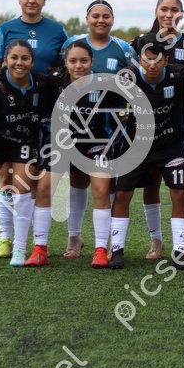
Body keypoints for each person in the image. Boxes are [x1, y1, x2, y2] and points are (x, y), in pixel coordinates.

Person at [0, 0, 68, 260]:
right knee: (7, 174)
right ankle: (4, 239)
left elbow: (66, 67)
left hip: (42, 113)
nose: (32, 0)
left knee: (31, 176)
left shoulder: (57, 31)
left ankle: (32, 242)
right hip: (9, 110)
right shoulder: (5, 29)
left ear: (45, 0)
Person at [23, 39, 114, 268]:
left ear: (92, 61)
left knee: (101, 188)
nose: (78, 65)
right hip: (60, 143)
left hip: (94, 143)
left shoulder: (103, 83)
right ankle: (40, 248)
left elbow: (119, 113)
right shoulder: (53, 81)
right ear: (65, 62)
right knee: (43, 188)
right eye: (73, 61)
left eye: (84, 60)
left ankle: (100, 249)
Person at [58, 0, 137, 259]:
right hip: (76, 127)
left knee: (106, 185)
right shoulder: (72, 43)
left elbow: (135, 81)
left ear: (112, 19)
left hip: (109, 127)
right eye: (95, 16)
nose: (100, 20)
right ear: (87, 18)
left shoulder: (123, 49)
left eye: (106, 16)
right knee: (78, 181)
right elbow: (61, 77)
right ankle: (74, 237)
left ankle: (109, 243)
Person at [107, 34, 184, 269]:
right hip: (136, 147)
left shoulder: (180, 76)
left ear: (166, 60)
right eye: (147, 59)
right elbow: (110, 106)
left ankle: (180, 249)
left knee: (179, 193)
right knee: (122, 194)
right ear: (139, 60)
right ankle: (117, 250)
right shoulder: (126, 78)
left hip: (170, 146)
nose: (152, 65)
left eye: (157, 59)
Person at [0, 40, 50, 267]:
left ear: (32, 61)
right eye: (14, 57)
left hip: (25, 141)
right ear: (5, 60)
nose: (19, 62)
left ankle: (19, 249)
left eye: (25, 58)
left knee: (22, 188)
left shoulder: (42, 84)